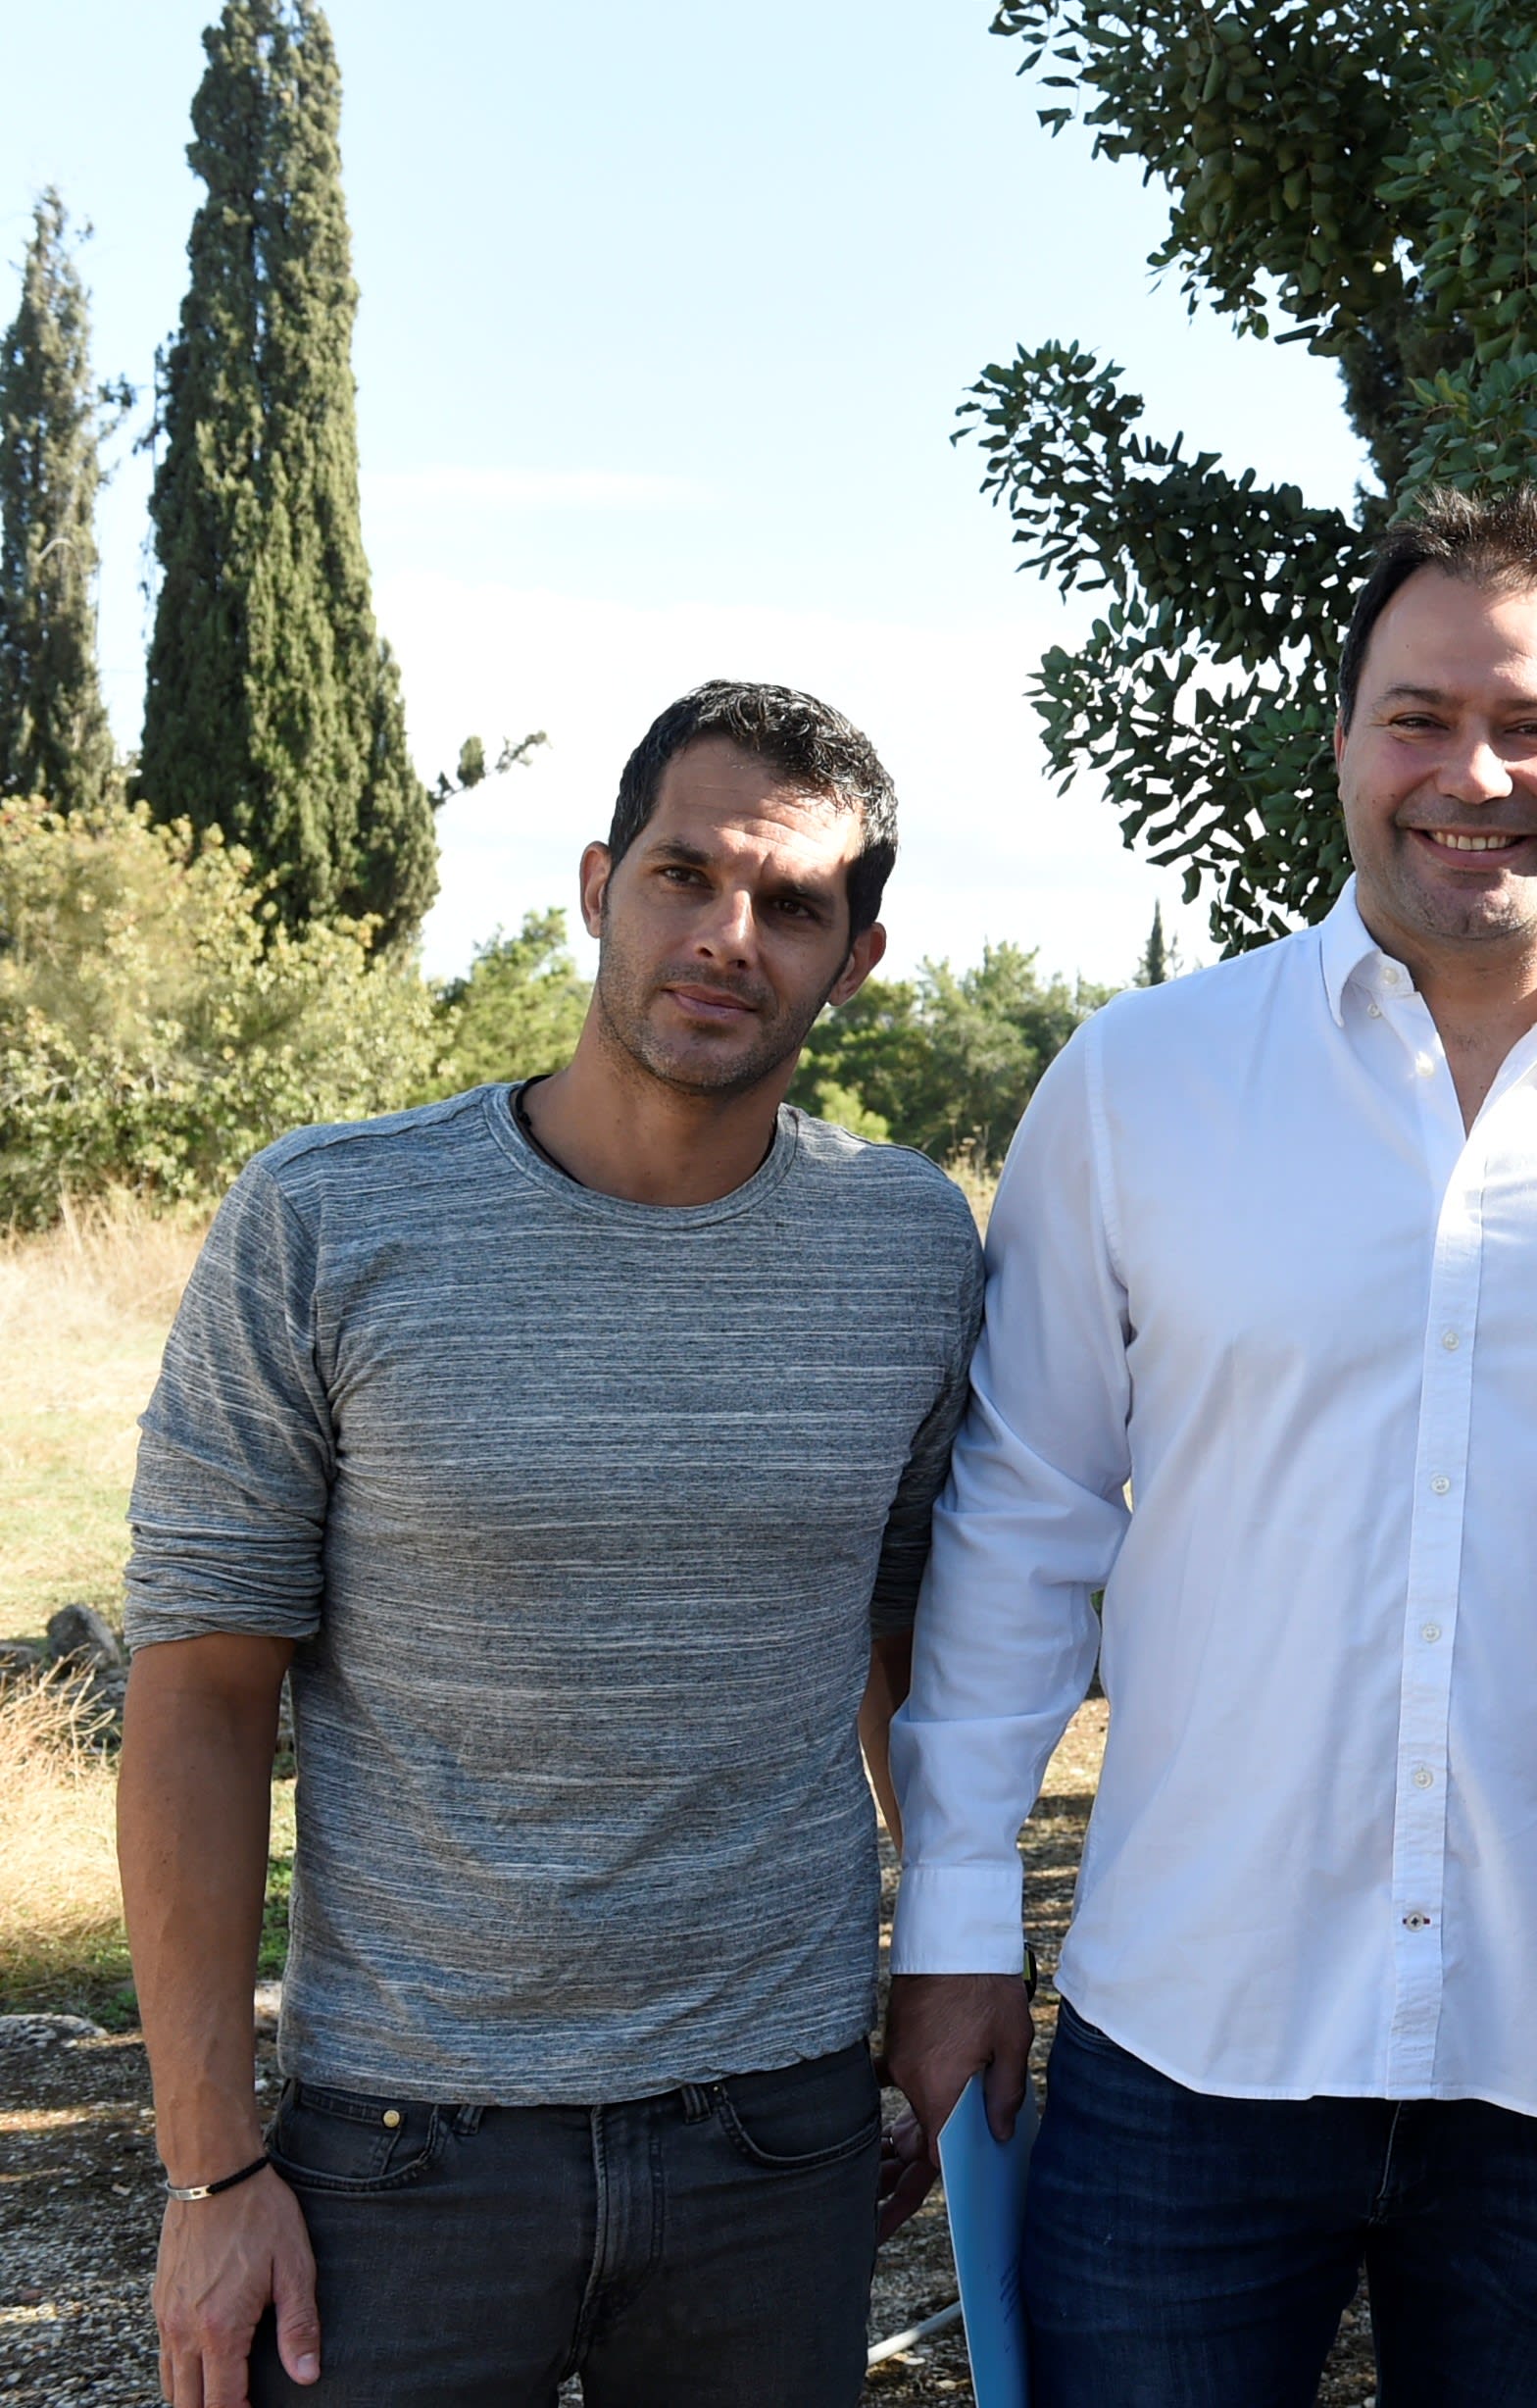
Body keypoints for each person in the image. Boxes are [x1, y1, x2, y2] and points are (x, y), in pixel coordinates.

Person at [882, 485, 1537, 2406]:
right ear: (1340, 743)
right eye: (1418, 717)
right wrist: (958, 1923)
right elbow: (1025, 1517)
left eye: (1529, 725)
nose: (1469, 772)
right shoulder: (1142, 1084)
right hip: (1193, 2029)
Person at [118, 681, 987, 2408]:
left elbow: (919, 1658)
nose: (728, 936)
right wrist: (213, 2174)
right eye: (686, 874)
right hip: (400, 2145)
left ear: (858, 957)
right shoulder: (329, 1218)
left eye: (793, 904)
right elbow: (203, 1697)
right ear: (599, 884)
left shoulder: (911, 1248)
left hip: (777, 2134)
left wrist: (949, 1975)